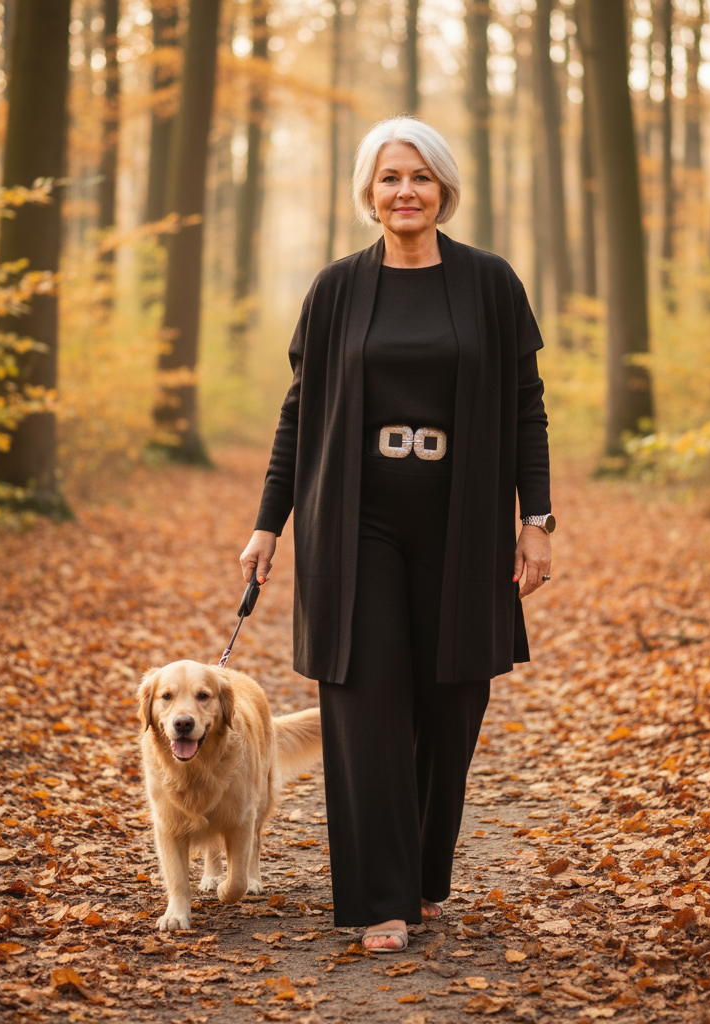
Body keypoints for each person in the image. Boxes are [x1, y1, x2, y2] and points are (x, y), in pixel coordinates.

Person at [240, 117, 553, 953]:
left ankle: (422, 873)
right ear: (368, 194)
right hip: (357, 522)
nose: (404, 191)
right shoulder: (338, 289)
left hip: (462, 522)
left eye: (418, 176)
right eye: (388, 179)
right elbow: (300, 412)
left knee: (452, 702)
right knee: (367, 701)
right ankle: (380, 898)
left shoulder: (490, 284)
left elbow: (526, 406)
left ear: (443, 188)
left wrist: (536, 520)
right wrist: (269, 524)